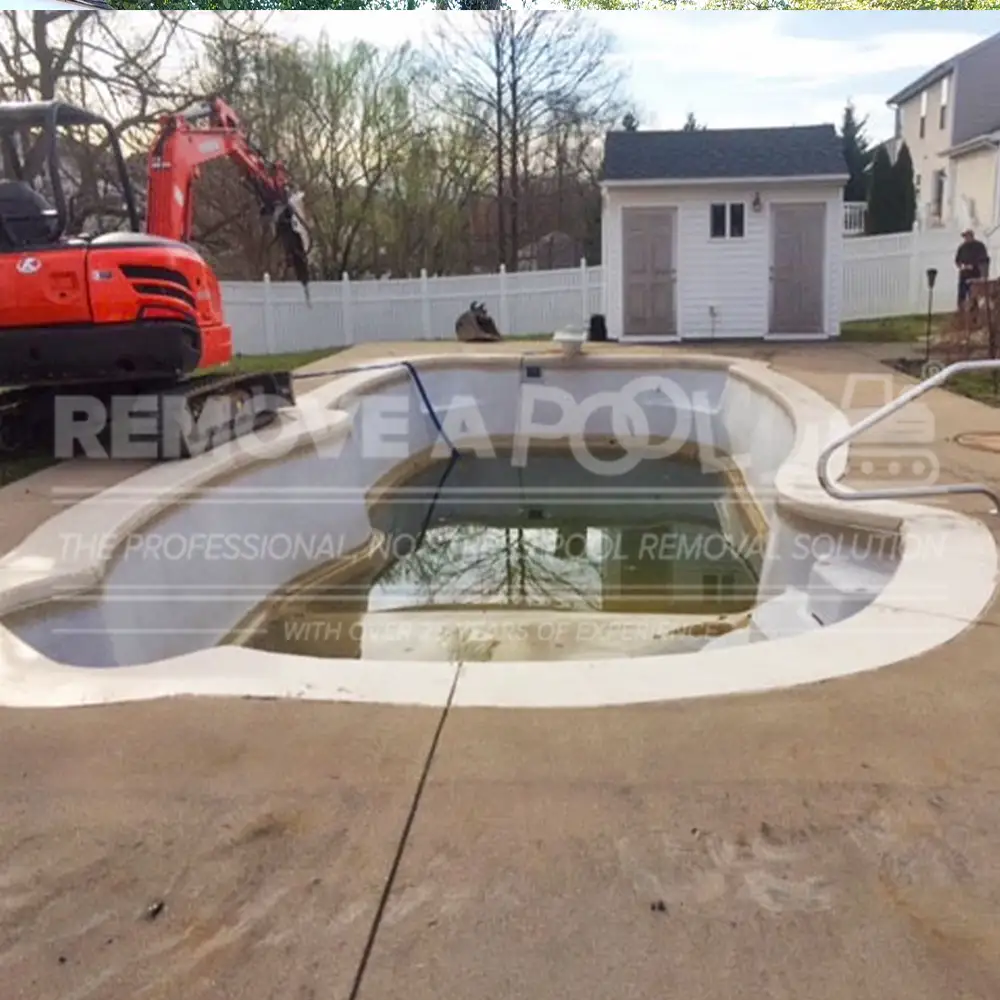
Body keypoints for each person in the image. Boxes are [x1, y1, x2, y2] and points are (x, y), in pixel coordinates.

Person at [956, 228, 990, 318]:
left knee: (974, 296)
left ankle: (975, 315)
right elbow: (957, 261)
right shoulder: (962, 247)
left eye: (967, 236)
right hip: (964, 275)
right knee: (962, 295)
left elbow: (984, 260)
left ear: (971, 236)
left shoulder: (979, 246)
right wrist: (962, 266)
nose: (966, 239)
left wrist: (982, 273)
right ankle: (961, 314)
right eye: (965, 237)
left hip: (975, 275)